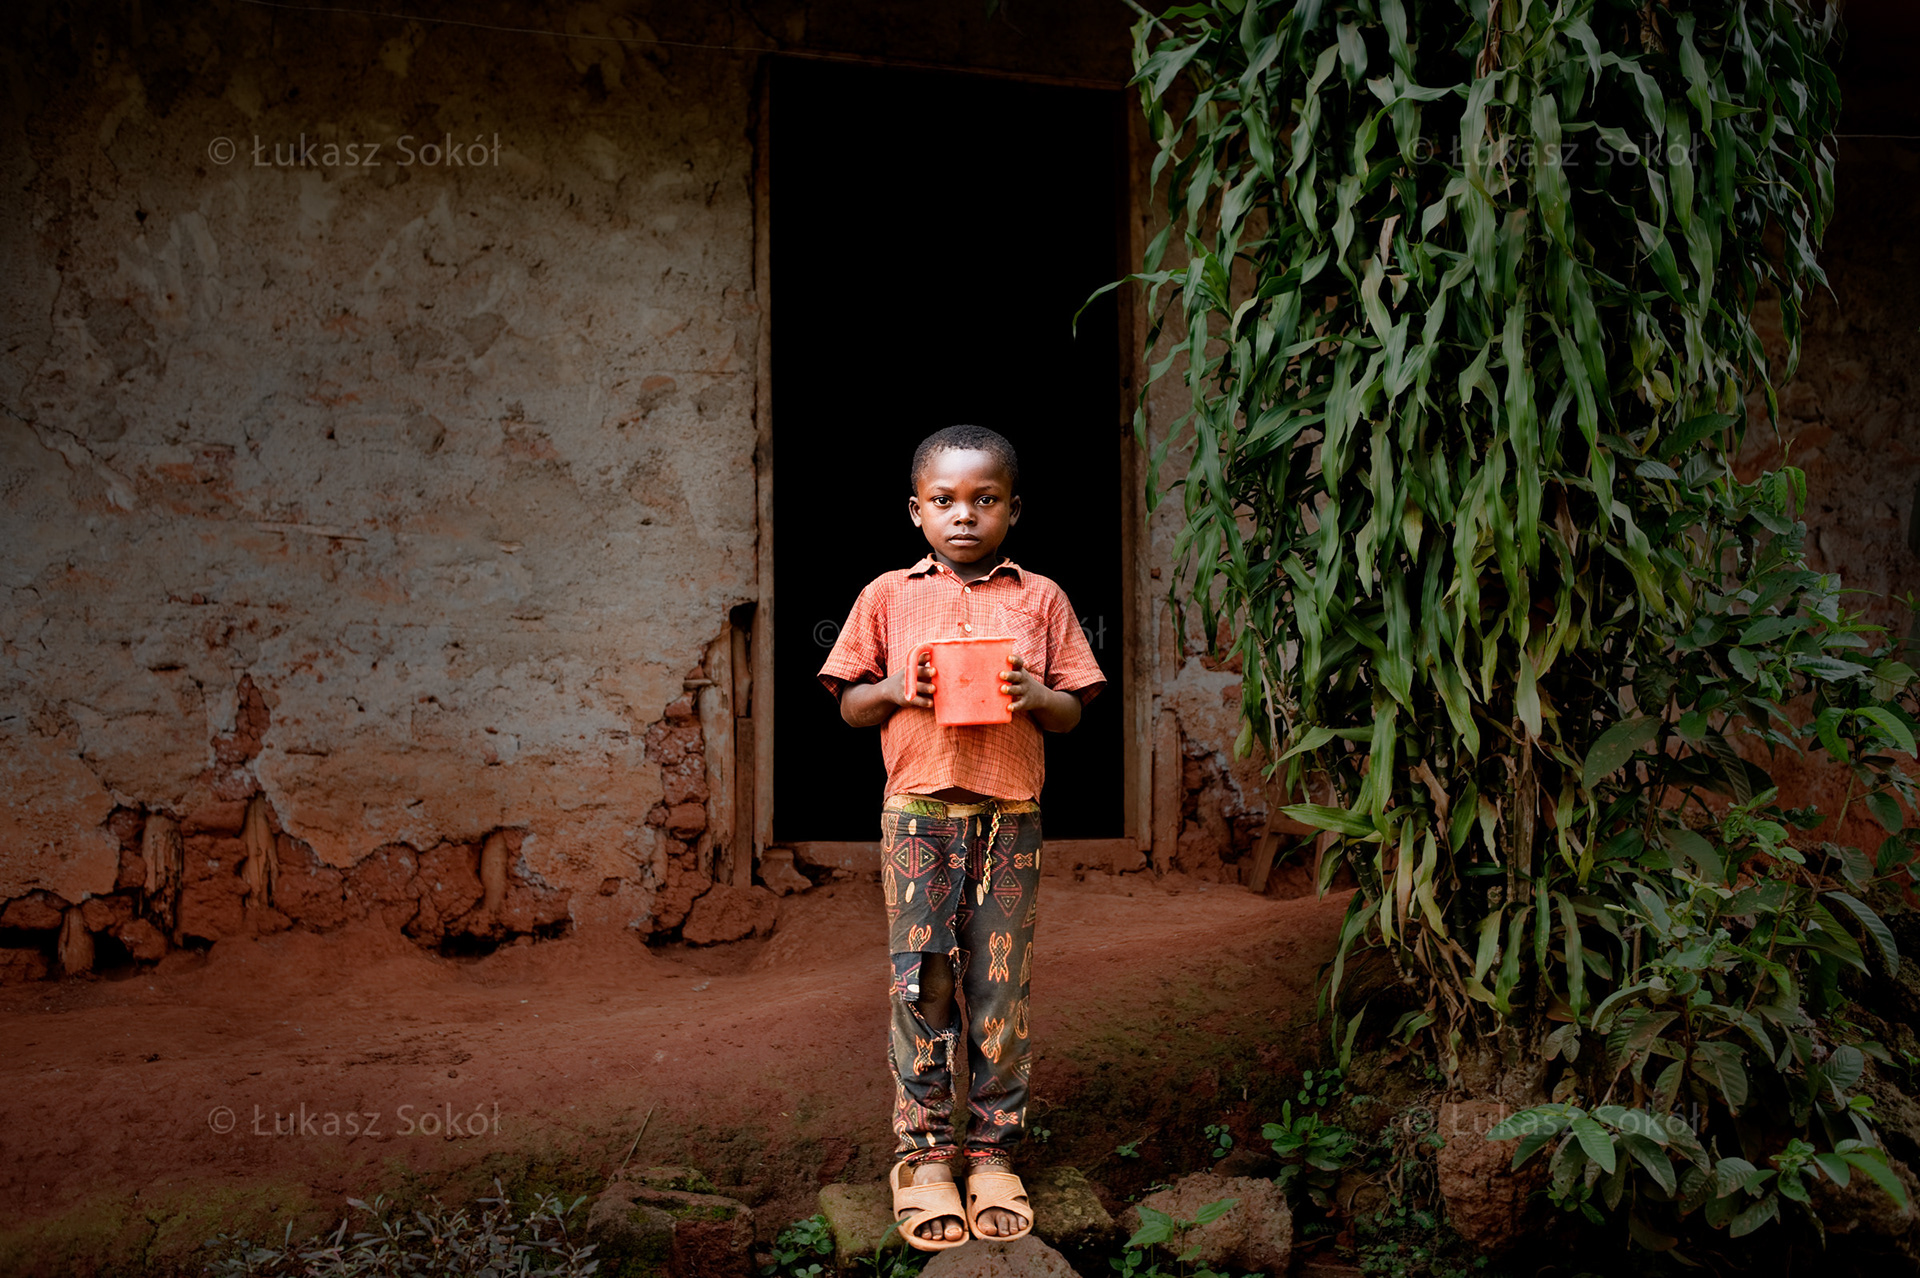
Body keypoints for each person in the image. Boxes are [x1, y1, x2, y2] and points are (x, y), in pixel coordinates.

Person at [817, 424, 1105, 1251]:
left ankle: (990, 1152)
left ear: (1015, 509)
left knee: (999, 990)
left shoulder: (1041, 598)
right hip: (918, 819)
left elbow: (1075, 708)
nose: (965, 516)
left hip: (1010, 818)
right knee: (925, 985)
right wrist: (895, 687)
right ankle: (922, 1156)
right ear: (916, 511)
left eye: (985, 500)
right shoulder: (887, 596)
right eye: (944, 501)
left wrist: (1033, 695)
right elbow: (848, 703)